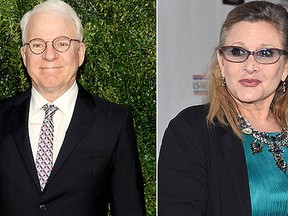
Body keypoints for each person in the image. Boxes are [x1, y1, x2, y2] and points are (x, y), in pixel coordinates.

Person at [0, 0, 145, 215]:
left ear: (80, 52)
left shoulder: (114, 122)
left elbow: (129, 209)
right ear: (24, 55)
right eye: (38, 44)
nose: (49, 55)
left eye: (62, 43)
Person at [158, 1, 288, 215]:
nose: (250, 66)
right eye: (237, 51)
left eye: (266, 53)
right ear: (222, 61)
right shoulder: (191, 131)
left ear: (285, 67)